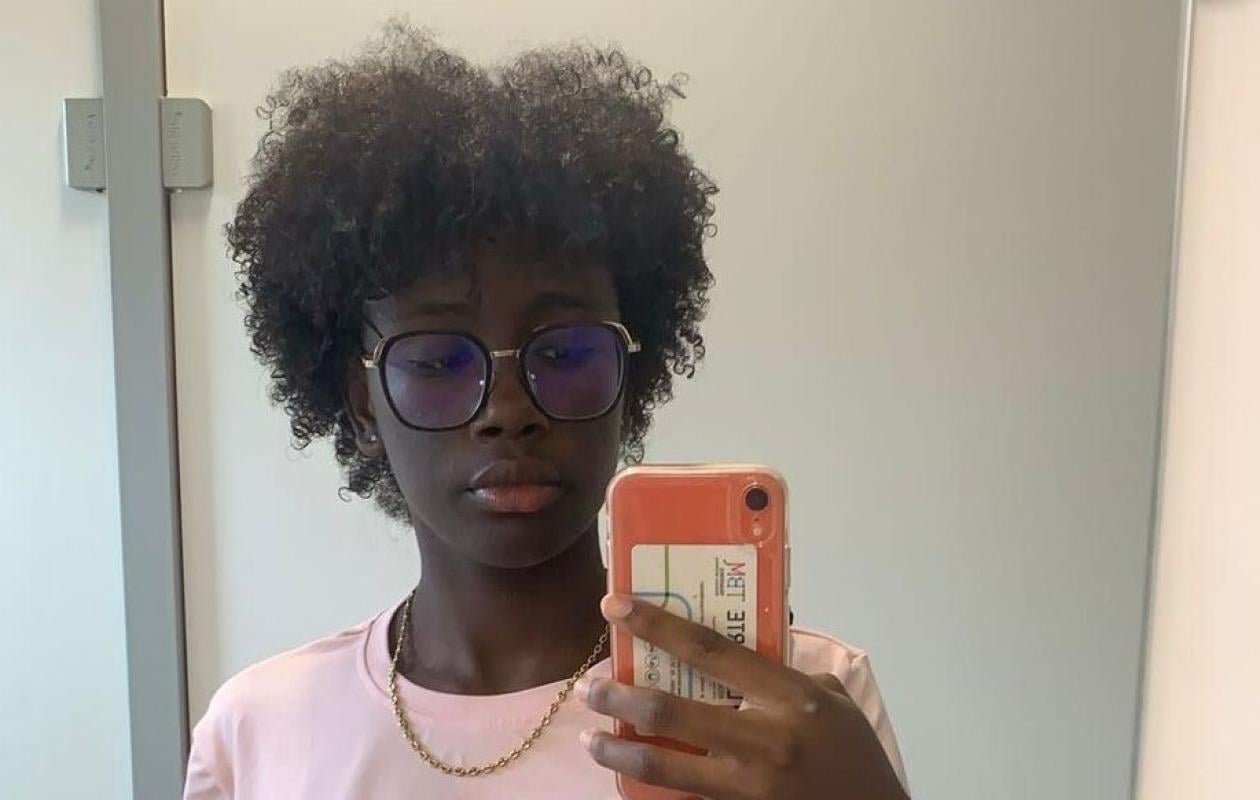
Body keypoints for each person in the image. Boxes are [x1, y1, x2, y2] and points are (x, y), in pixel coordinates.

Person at [183, 21, 909, 800]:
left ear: (630, 373)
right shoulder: (259, 735)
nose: (508, 410)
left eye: (563, 353)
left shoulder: (799, 710)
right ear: (364, 404)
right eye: (438, 360)